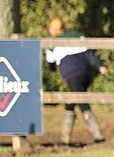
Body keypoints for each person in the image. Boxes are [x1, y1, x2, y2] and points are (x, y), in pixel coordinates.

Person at [45, 16, 108, 145]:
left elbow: (50, 66)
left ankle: (97, 135)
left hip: (71, 75)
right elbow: (90, 55)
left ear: (53, 30)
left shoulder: (51, 44)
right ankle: (65, 137)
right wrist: (100, 66)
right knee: (71, 101)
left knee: (80, 101)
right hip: (86, 74)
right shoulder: (77, 35)